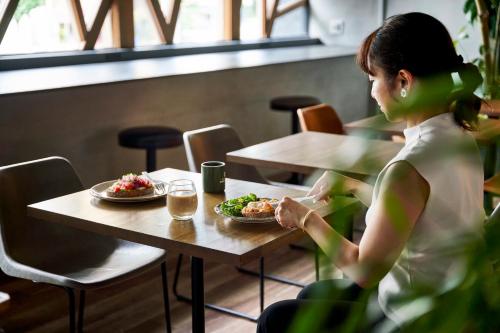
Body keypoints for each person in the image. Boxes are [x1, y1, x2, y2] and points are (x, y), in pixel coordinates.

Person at [257, 12, 485, 332]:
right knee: (312, 293)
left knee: (274, 319)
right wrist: (351, 185)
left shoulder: (407, 167)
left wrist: (305, 218)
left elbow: (364, 270)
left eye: (373, 78)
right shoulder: (459, 137)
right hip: (451, 302)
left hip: (412, 318)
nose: (373, 91)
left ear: (403, 82)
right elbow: (415, 215)